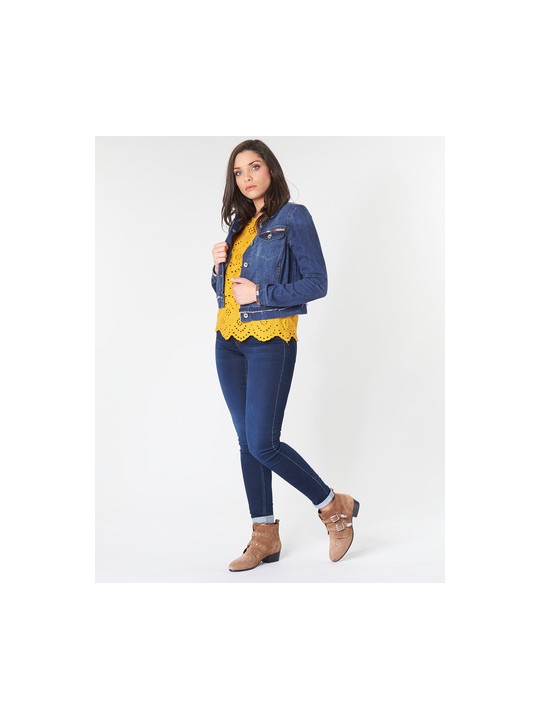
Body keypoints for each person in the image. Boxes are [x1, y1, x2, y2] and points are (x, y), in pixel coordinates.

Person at [211, 139, 359, 572]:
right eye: (238, 172)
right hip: (227, 340)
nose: (247, 177)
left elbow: (317, 282)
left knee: (264, 443)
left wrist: (262, 293)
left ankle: (333, 506)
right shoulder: (238, 224)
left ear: (270, 170)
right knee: (247, 443)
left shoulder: (294, 217)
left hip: (270, 340)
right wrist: (218, 268)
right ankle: (264, 535)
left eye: (254, 167)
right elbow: (226, 293)